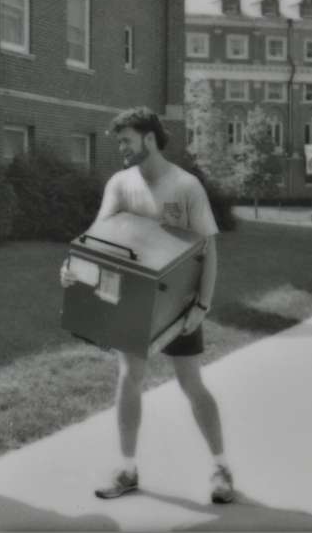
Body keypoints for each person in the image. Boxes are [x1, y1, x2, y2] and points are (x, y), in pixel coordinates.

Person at [60, 106, 236, 504]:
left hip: (180, 305)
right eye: (119, 140)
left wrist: (202, 306)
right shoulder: (121, 185)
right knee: (129, 377)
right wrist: (73, 265)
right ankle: (127, 469)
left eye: (126, 140)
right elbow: (96, 238)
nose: (121, 147)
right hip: (135, 299)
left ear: (150, 139)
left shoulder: (186, 186)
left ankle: (221, 467)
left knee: (191, 383)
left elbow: (208, 251)